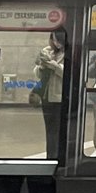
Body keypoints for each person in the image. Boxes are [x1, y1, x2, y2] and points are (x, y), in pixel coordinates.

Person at [33, 26, 68, 160]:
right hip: (46, 96)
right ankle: (50, 157)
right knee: (50, 130)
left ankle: (59, 157)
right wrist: (41, 66)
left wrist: (54, 65)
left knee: (59, 130)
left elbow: (68, 74)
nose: (56, 43)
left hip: (60, 97)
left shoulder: (69, 53)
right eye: (53, 39)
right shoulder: (47, 51)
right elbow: (36, 73)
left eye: (58, 40)